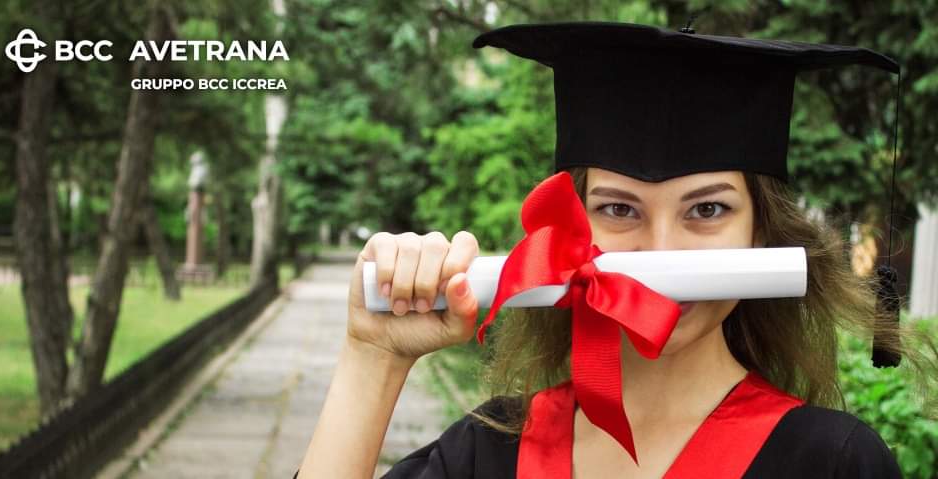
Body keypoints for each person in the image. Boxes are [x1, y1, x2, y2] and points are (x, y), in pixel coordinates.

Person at [297, 21, 935, 478]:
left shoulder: (831, 463)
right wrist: (372, 357)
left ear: (760, 234)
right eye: (619, 209)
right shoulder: (488, 454)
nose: (660, 255)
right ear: (569, 228)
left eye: (707, 210)